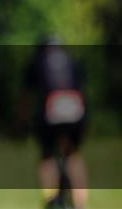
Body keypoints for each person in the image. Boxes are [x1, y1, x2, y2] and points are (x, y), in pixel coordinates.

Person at [26, 37, 89, 209]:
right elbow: (82, 92)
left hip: (50, 112)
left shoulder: (38, 63)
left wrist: (19, 124)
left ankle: (49, 200)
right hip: (76, 111)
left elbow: (27, 98)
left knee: (47, 157)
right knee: (73, 155)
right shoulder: (73, 61)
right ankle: (80, 203)